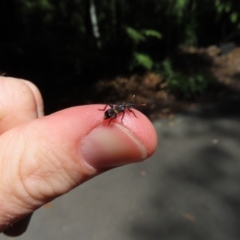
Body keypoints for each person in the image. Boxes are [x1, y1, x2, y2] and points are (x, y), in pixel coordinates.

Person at [0, 76, 157, 236]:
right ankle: (109, 120)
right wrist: (111, 119)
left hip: (110, 114)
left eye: (131, 105)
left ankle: (109, 120)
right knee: (115, 114)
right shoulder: (122, 109)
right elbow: (120, 113)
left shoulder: (122, 108)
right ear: (128, 105)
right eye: (131, 104)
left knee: (114, 113)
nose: (130, 106)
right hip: (109, 115)